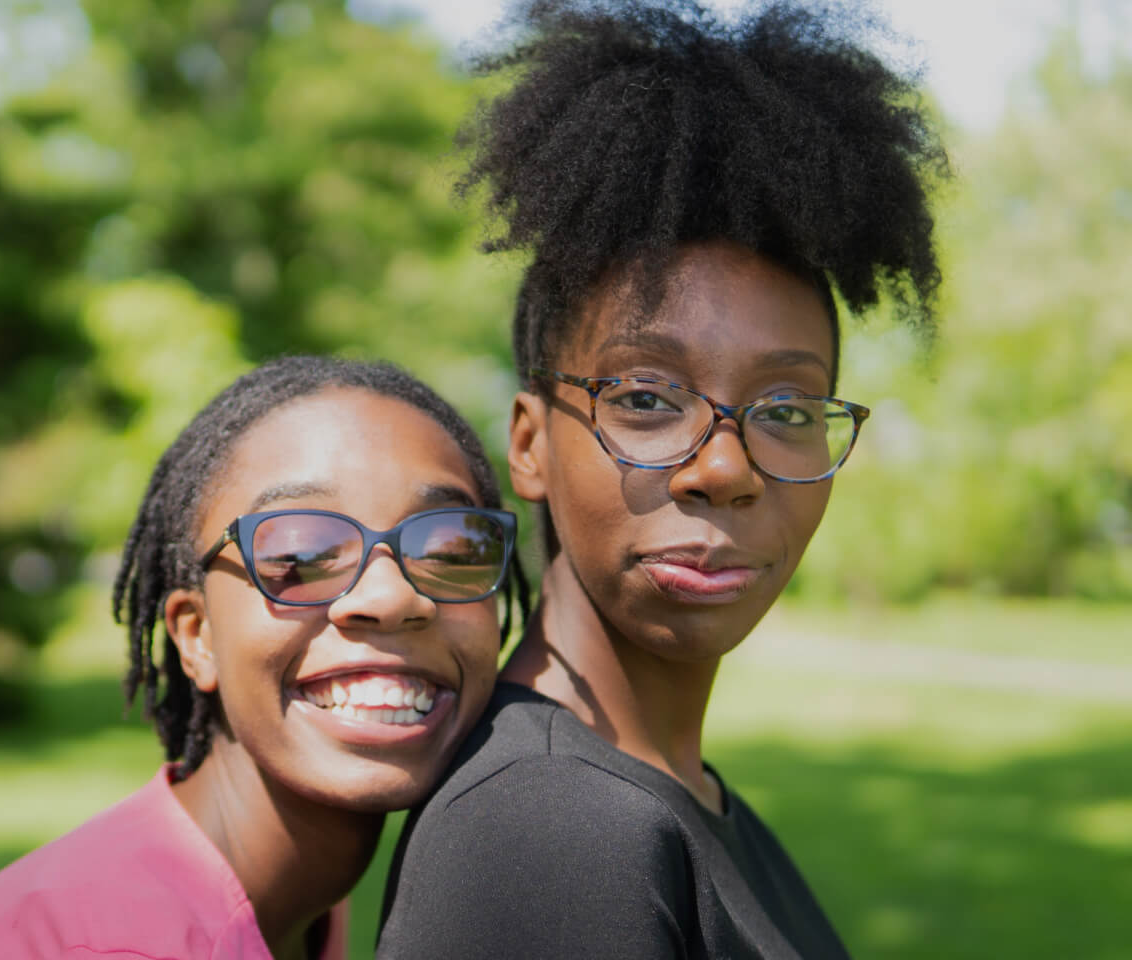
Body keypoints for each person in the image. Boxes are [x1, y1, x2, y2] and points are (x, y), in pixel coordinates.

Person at [376, 2, 946, 957]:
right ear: (530, 446)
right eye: (646, 398)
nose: (724, 469)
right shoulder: (549, 831)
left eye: (788, 411)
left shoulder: (675, 792)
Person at [0, 356, 530, 960]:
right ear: (195, 636)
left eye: (449, 549)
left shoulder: (301, 904)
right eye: (300, 556)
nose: (391, 597)